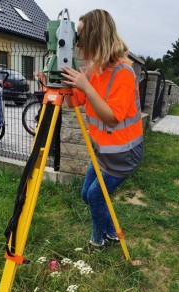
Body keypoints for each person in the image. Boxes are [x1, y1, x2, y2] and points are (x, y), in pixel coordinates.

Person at [61, 9, 143, 250]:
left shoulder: (123, 72)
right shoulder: (93, 68)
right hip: (103, 151)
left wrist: (86, 86)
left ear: (95, 35)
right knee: (87, 195)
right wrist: (63, 83)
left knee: (96, 197)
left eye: (80, 34)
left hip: (123, 155)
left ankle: (97, 241)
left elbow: (112, 118)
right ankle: (111, 232)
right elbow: (73, 102)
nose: (77, 41)